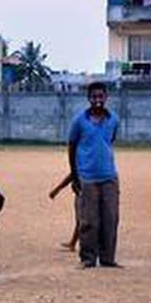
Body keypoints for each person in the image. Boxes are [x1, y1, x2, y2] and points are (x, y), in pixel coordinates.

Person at [68, 81, 120, 268]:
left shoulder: (113, 119)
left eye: (101, 96)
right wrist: (75, 177)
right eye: (94, 96)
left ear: (106, 97)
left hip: (109, 177)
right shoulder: (79, 121)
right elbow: (72, 147)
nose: (98, 100)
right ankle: (88, 258)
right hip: (87, 178)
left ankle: (107, 258)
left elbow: (110, 141)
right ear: (88, 98)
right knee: (89, 220)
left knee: (110, 218)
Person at [48, 173, 80, 251]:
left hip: (83, 190)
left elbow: (72, 175)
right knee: (81, 219)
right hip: (80, 190)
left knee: (82, 219)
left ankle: (74, 243)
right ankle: (73, 243)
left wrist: (57, 189)